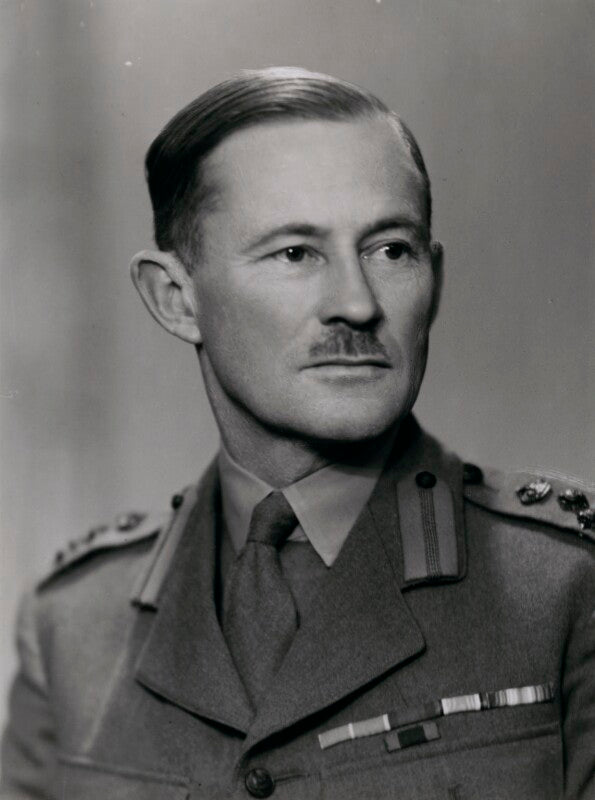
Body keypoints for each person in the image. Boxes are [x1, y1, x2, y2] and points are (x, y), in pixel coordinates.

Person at [1, 67, 593, 800]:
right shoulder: (72, 627)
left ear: (434, 279)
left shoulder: (567, 586)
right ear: (175, 299)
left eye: (390, 250)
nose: (356, 304)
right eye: (295, 253)